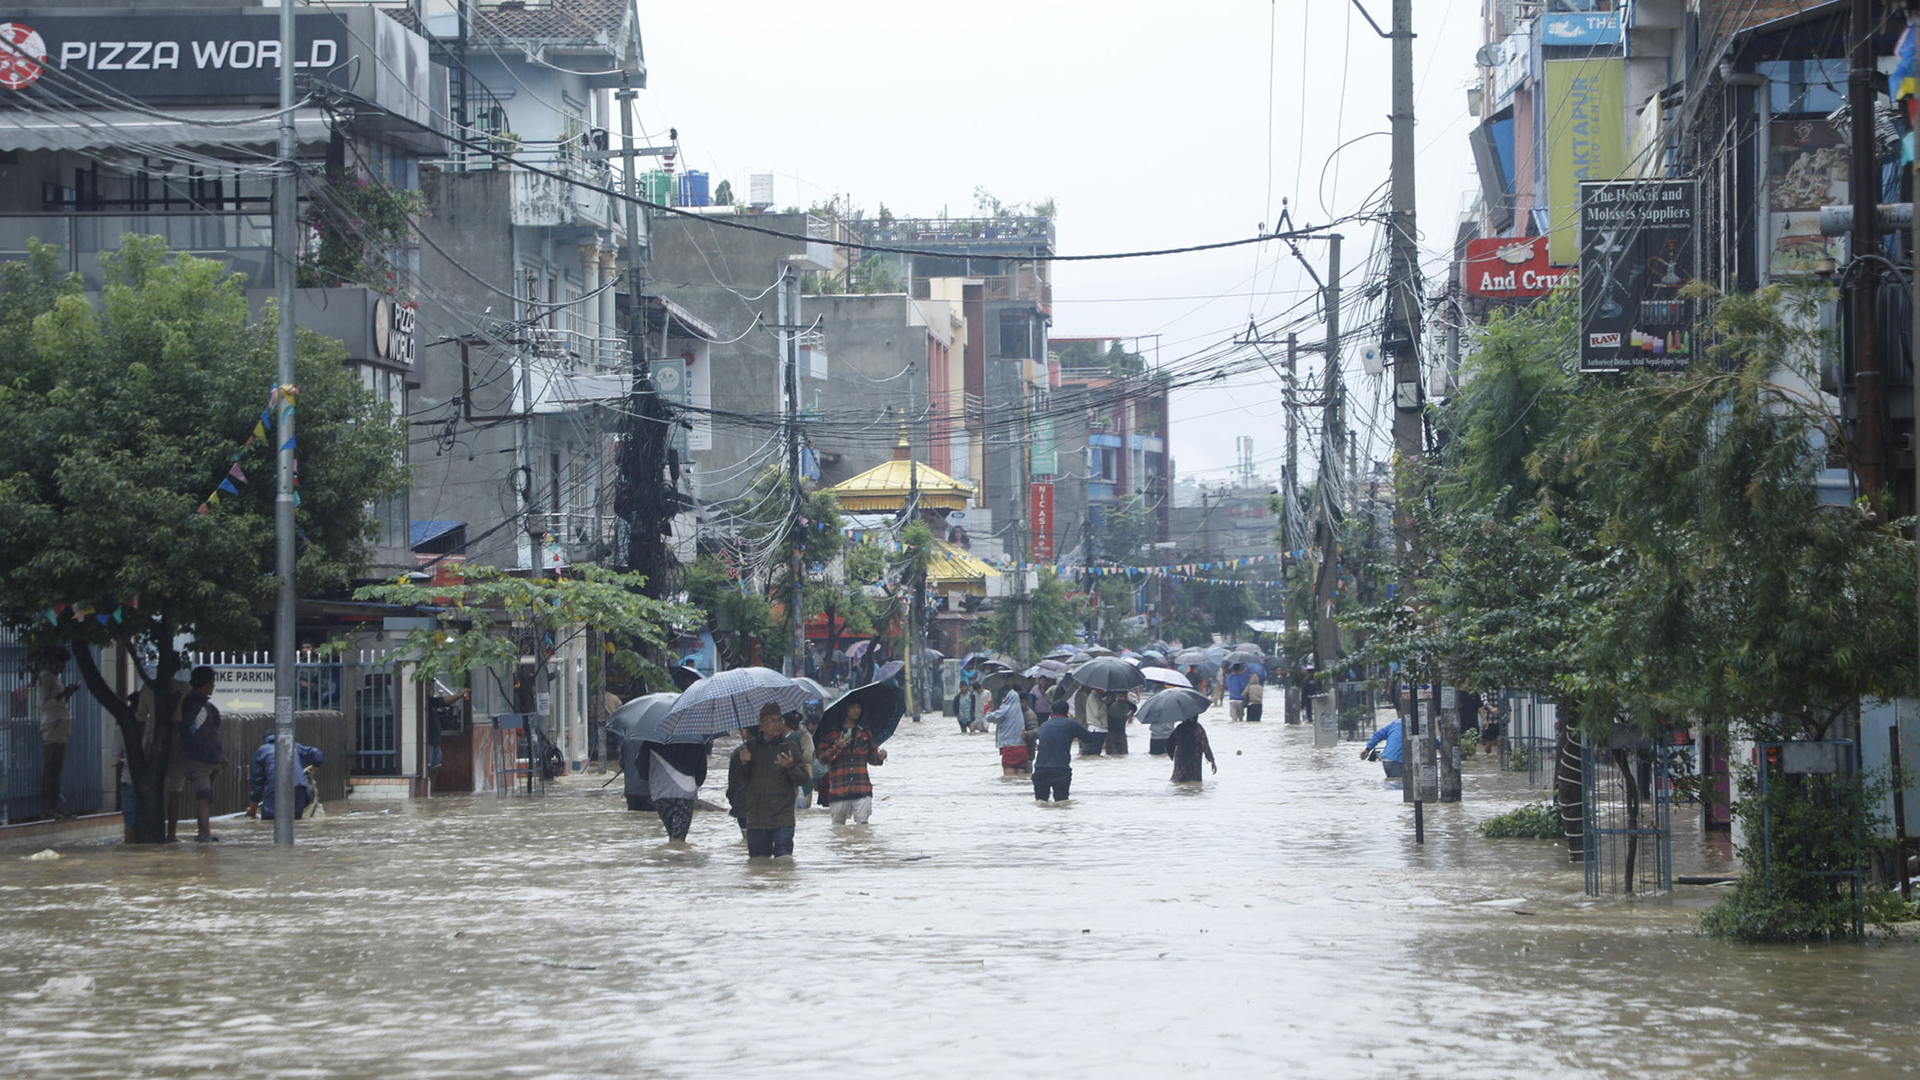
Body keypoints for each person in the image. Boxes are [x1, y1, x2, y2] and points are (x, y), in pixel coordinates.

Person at [726, 704, 810, 858]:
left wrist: (790, 767)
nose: (778, 724)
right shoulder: (749, 749)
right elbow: (739, 782)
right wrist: (744, 764)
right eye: (772, 720)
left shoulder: (790, 747)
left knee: (784, 862)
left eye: (780, 720)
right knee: (758, 865)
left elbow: (804, 778)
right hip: (757, 819)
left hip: (783, 818)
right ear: (762, 725)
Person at [172, 665, 224, 842]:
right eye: (212, 683)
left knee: (205, 798)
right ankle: (205, 834)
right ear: (207, 684)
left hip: (209, 759)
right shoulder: (196, 705)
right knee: (204, 797)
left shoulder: (206, 706)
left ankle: (204, 833)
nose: (214, 686)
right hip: (201, 759)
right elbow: (180, 724)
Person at [816, 699, 887, 824]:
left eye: (859, 707)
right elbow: (822, 759)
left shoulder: (865, 731)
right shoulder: (831, 733)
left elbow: (871, 756)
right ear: (845, 709)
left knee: (863, 828)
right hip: (839, 790)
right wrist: (837, 746)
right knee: (838, 829)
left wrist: (879, 757)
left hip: (862, 788)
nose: (856, 711)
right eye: (852, 707)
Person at [34, 651, 79, 820]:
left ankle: (56, 807)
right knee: (51, 768)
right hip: (53, 726)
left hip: (61, 726)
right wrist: (63, 694)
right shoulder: (45, 677)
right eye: (60, 663)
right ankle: (48, 808)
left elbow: (59, 701)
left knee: (57, 769)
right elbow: (44, 705)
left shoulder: (55, 677)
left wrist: (68, 693)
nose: (62, 667)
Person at [248, 732, 325, 821]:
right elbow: (318, 755)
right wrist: (314, 767)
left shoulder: (262, 751)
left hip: (275, 789)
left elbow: (257, 782)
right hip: (299, 789)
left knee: (269, 822)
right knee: (295, 822)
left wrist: (253, 808)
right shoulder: (294, 746)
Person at [647, 740, 709, 843]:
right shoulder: (696, 741)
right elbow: (701, 773)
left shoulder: (652, 739)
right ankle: (677, 857)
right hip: (685, 793)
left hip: (660, 792)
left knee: (672, 832)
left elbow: (641, 767)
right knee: (679, 836)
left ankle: (671, 855)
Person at [1031, 697, 1092, 804]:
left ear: (1052, 712)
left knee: (1041, 803)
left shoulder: (1044, 725)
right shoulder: (1070, 724)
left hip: (1040, 769)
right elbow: (1089, 739)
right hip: (1060, 770)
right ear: (1067, 712)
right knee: (1062, 803)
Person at [989, 688, 1030, 775]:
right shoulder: (1019, 710)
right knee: (1020, 780)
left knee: (1009, 781)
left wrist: (988, 707)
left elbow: (990, 718)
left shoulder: (1006, 708)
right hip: (1022, 748)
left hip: (1010, 748)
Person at [1167, 715, 1217, 782]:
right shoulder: (1198, 728)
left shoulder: (1180, 728)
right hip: (1194, 759)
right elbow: (1205, 746)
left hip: (1182, 758)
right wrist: (1212, 761)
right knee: (1194, 782)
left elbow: (1170, 743)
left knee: (1179, 780)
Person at [1103, 689, 1135, 755]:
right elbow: (1103, 710)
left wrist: (1129, 716)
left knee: (1124, 754)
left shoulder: (1128, 704)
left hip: (1122, 733)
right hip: (1110, 733)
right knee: (1110, 755)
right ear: (1117, 696)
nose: (1122, 698)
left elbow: (1134, 708)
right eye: (1120, 696)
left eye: (1124, 696)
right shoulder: (1110, 703)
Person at [1076, 687, 1106, 757]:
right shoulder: (1086, 696)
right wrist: (1104, 704)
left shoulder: (1084, 695)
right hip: (1088, 724)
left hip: (1086, 723)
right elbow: (1095, 712)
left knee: (1086, 748)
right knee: (1088, 748)